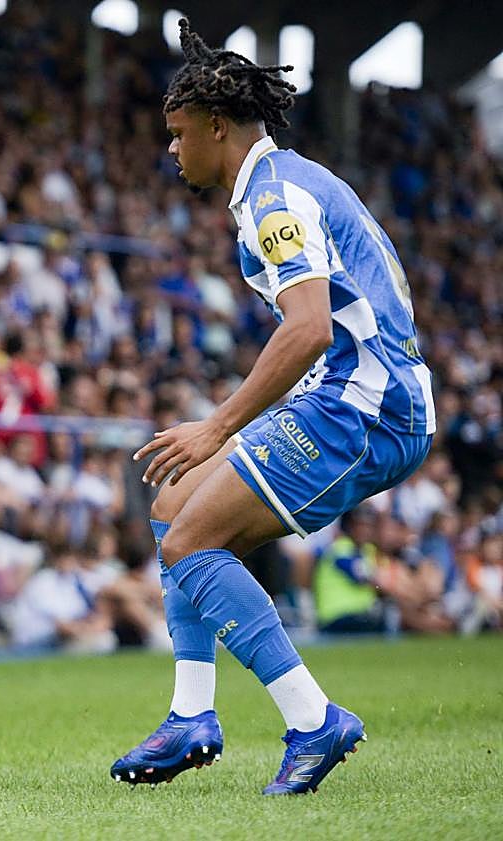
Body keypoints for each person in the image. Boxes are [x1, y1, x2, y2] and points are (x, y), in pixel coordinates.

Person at [112, 20, 434, 796]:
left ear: (217, 126)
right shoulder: (289, 180)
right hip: (359, 392)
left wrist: (216, 425)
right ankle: (192, 714)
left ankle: (312, 719)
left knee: (191, 543)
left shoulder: (272, 197)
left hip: (366, 405)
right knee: (175, 504)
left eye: (179, 133)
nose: (173, 149)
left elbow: (310, 326)